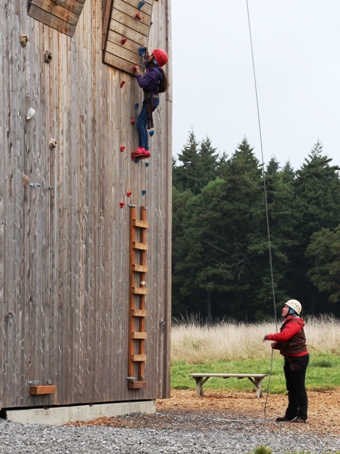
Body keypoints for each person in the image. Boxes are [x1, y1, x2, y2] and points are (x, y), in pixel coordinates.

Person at [263, 299, 309, 423]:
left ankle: (302, 416)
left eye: (285, 307)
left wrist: (269, 337)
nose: (283, 308)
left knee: (299, 388)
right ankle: (290, 415)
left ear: (292, 310)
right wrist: (277, 346)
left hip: (298, 359)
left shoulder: (295, 323)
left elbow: (284, 336)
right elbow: (288, 340)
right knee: (291, 388)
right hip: (291, 359)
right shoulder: (290, 322)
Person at [132, 48, 169, 158]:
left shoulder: (153, 72)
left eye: (151, 55)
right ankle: (146, 149)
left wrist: (138, 73)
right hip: (152, 99)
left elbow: (142, 83)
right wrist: (145, 52)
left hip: (151, 100)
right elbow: (147, 63)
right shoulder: (154, 69)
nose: (149, 56)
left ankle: (142, 147)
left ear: (155, 60)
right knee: (143, 123)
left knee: (139, 122)